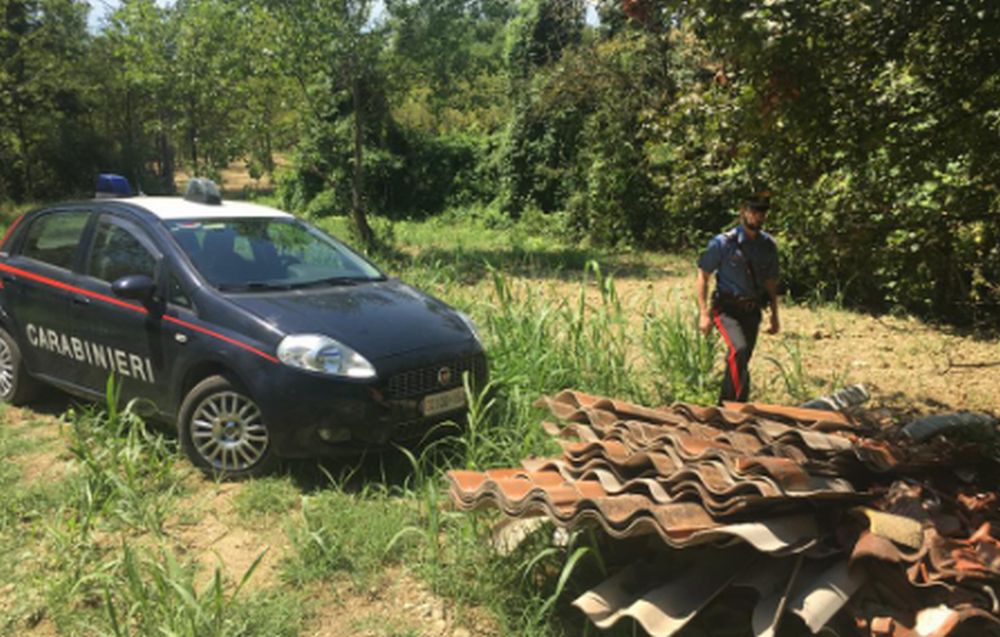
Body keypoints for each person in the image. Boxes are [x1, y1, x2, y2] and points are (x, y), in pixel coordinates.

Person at [695, 194, 780, 404]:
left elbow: (770, 282)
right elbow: (703, 275)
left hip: (752, 311)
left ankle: (733, 406)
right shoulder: (723, 243)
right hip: (726, 309)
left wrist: (775, 315)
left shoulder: (767, 245)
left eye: (761, 213)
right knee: (738, 350)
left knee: (741, 359)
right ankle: (729, 406)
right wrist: (704, 314)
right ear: (744, 212)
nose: (757, 217)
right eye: (753, 212)